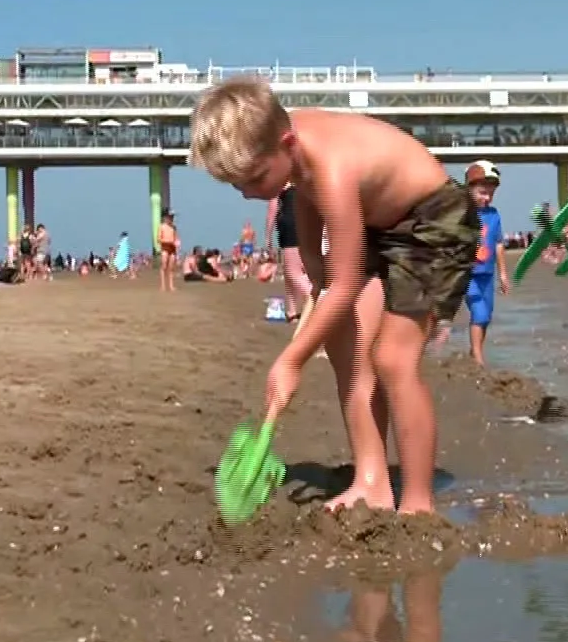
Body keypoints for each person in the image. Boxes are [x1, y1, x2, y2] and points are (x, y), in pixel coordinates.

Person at [190, 78, 479, 515]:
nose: (248, 194)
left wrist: (291, 361)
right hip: (378, 222)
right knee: (346, 347)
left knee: (393, 359)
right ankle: (371, 482)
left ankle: (418, 501)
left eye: (254, 179)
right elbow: (316, 237)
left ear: (286, 145)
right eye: (236, 186)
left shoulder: (332, 164)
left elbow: (343, 283)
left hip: (433, 219)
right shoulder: (292, 151)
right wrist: (314, 269)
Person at [460, 160, 511, 367]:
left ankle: (474, 352)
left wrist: (503, 274)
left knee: (486, 316)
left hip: (487, 274)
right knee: (479, 312)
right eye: (482, 193)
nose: (487, 198)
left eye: (491, 194)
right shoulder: (462, 214)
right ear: (469, 189)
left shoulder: (493, 214)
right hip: (467, 273)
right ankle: (479, 361)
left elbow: (498, 244)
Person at [266, 185, 312, 325]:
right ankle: (292, 312)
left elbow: (273, 206)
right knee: (292, 270)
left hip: (291, 224)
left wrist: (268, 237)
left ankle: (320, 302)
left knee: (294, 273)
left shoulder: (281, 178)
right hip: (309, 223)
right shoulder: (304, 178)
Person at [157, 212, 180, 291]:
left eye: (172, 217)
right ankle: (163, 285)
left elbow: (176, 237)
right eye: (170, 217)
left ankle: (171, 285)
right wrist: (169, 241)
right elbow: (158, 239)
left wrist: (177, 242)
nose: (172, 219)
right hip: (165, 248)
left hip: (172, 248)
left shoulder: (174, 227)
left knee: (171, 267)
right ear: (166, 218)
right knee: (164, 266)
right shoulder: (162, 226)